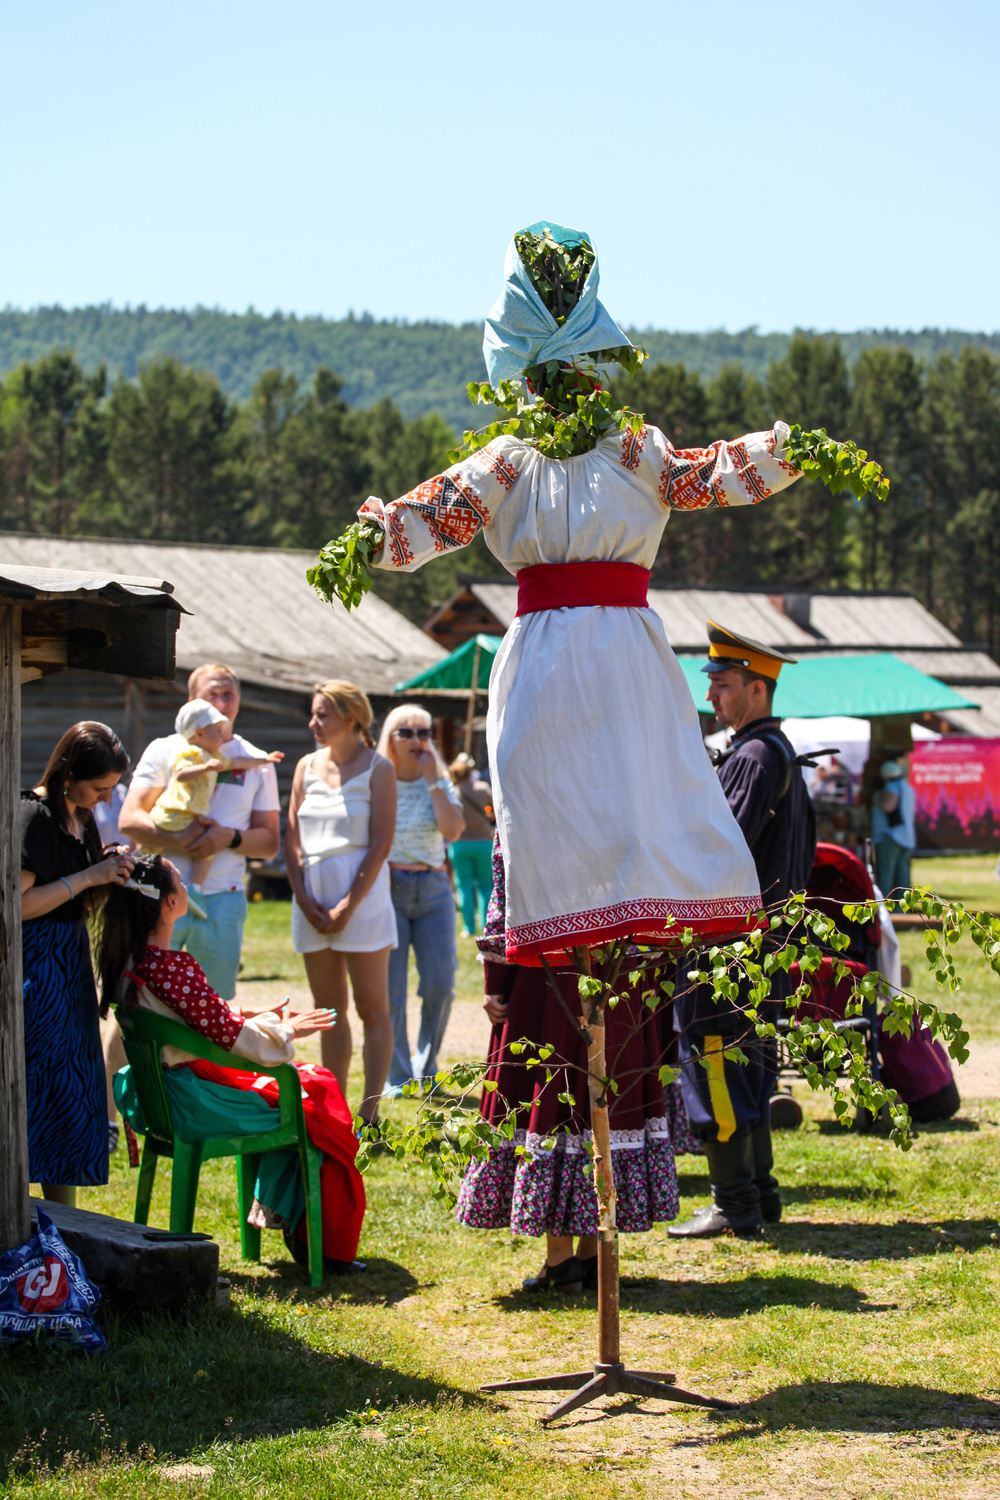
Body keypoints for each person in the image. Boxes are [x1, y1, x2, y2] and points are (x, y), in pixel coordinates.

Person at [353, 221, 804, 964]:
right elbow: (433, 517)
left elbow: (705, 474)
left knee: (645, 800)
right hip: (547, 657)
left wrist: (781, 452)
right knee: (550, 802)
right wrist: (371, 536)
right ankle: (564, 949)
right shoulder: (507, 461)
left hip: (625, 651)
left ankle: (652, 935)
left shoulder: (635, 449)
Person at [97, 853, 366, 1273]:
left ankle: (286, 1214)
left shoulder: (134, 962)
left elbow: (201, 1020)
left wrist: (263, 1017)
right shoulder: (172, 968)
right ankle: (322, 1243)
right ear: (169, 904)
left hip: (160, 1094)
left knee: (306, 1085)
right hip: (193, 1098)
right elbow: (232, 1040)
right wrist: (285, 1032)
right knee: (315, 1092)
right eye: (180, 882)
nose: (186, 888)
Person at [456, 836, 696, 1292]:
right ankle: (588, 1255)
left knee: (556, 1100)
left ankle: (561, 1259)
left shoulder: (528, 791)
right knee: (599, 1098)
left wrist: (496, 980)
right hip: (623, 973)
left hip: (550, 975)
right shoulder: (627, 788)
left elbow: (506, 896)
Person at [669, 623, 817, 1238]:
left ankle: (734, 1204)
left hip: (727, 945)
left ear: (758, 690)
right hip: (758, 944)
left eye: (724, 686)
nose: (713, 699)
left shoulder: (755, 756)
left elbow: (715, 849)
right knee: (749, 1063)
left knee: (715, 1065)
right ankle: (759, 1192)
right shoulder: (771, 751)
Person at [20, 722, 134, 1205]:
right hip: (34, 964)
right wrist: (89, 875)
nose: (105, 800)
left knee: (70, 1090)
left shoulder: (79, 816)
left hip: (68, 960)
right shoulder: (35, 815)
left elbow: (77, 903)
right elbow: (19, 904)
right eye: (99, 788)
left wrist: (109, 875)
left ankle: (64, 1222)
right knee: (40, 1082)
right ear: (68, 773)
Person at [119, 662, 280, 1001]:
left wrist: (229, 838)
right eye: (212, 694)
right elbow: (130, 821)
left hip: (222, 900)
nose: (222, 702)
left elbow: (268, 844)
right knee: (138, 1004)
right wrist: (178, 840)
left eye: (229, 694)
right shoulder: (165, 749)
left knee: (213, 1011)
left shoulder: (254, 759)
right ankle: (124, 1059)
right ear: (193, 702)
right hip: (157, 894)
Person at [285, 680, 397, 1128]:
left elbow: (380, 843)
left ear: (351, 718)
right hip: (311, 899)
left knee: (372, 1008)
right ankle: (332, 1113)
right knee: (328, 1011)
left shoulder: (379, 768)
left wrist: (347, 906)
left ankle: (370, 1115)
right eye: (313, 714)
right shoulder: (304, 766)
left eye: (322, 715)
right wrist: (304, 898)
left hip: (363, 900)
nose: (313, 723)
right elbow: (291, 839)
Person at [378, 705, 464, 1091]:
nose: (416, 740)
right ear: (390, 738)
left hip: (433, 889)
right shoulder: (378, 779)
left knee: (441, 983)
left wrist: (433, 780)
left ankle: (426, 1067)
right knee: (390, 989)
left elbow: (454, 831)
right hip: (388, 887)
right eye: (406, 733)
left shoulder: (440, 781)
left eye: (423, 732)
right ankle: (398, 1075)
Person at [148, 698, 284, 919]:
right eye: (217, 731)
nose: (222, 735)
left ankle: (194, 889)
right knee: (201, 843)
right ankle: (193, 889)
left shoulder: (216, 757)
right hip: (176, 813)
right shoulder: (189, 752)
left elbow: (239, 762)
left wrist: (262, 760)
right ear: (199, 734)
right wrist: (204, 767)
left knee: (208, 844)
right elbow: (181, 774)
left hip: (190, 815)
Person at [448, 753, 495, 936]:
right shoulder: (483, 788)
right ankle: (486, 925)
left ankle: (468, 927)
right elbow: (493, 811)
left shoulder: (453, 791)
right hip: (483, 842)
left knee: (464, 886)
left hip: (460, 843)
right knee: (486, 886)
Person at [872, 758, 915, 898]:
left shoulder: (892, 786)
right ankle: (902, 911)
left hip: (893, 836)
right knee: (903, 876)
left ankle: (884, 907)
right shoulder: (907, 786)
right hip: (908, 836)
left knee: (886, 874)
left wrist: (876, 799)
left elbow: (889, 806)